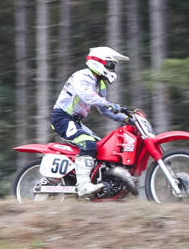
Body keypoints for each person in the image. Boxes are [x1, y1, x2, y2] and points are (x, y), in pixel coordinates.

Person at [50, 46, 132, 197]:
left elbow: (104, 110)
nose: (112, 68)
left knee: (101, 148)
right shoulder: (82, 76)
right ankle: (83, 186)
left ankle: (99, 184)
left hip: (75, 121)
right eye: (110, 64)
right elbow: (87, 95)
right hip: (62, 118)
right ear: (98, 62)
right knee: (87, 143)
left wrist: (125, 118)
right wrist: (108, 103)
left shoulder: (99, 84)